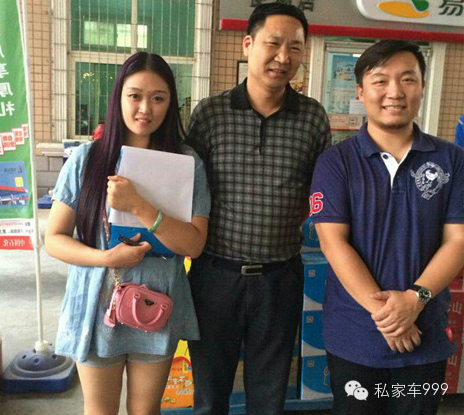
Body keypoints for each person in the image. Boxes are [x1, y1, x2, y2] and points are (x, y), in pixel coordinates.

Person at [45, 52, 210, 415]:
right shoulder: (87, 159)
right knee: (100, 410)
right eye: (135, 96)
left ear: (171, 103)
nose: (145, 109)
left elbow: (194, 243)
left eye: (158, 98)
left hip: (157, 306)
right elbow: (54, 238)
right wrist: (106, 257)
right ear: (118, 97)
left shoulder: (187, 164)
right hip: (96, 305)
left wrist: (139, 206)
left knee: (145, 410)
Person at [186, 3, 331, 414]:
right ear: (248, 44)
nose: (283, 57)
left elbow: (320, 193)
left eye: (295, 48)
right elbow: (189, 190)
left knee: (269, 398)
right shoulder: (210, 114)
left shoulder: (312, 118)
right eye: (273, 43)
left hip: (279, 279)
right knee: (209, 394)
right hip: (215, 277)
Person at [309, 39, 464, 415]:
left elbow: (458, 240)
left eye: (407, 79)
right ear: (361, 91)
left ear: (422, 87)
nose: (394, 91)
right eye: (380, 80)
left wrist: (414, 301)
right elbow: (333, 243)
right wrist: (392, 318)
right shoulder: (336, 162)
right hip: (356, 337)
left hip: (425, 337)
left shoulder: (452, 160)